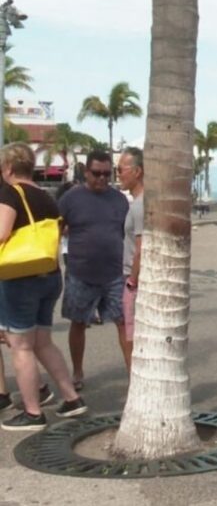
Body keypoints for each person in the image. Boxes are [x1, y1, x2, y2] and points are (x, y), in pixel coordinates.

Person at [0, 143, 87, 430]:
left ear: (9, 168)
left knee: (20, 346)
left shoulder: (11, 193)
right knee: (43, 342)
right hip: (49, 274)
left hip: (20, 277)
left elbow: (1, 234)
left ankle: (33, 412)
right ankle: (71, 398)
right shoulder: (46, 196)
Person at [58, 149, 131, 390]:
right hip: (80, 273)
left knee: (124, 324)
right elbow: (56, 230)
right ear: (86, 172)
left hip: (114, 275)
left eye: (107, 174)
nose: (101, 178)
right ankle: (78, 372)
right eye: (96, 173)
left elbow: (127, 234)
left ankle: (133, 375)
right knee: (78, 324)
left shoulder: (120, 200)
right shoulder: (71, 198)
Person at [118, 147, 143, 370]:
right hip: (131, 277)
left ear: (136, 171)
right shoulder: (137, 204)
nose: (119, 175)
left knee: (132, 337)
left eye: (121, 170)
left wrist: (132, 281)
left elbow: (140, 248)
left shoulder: (139, 206)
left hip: (133, 280)